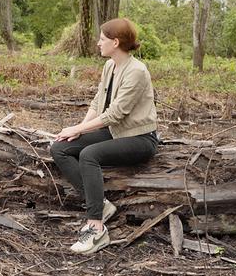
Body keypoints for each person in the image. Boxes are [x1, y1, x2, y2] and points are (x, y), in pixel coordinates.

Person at [50, 18, 158, 254]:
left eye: (102, 39)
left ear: (115, 42)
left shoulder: (137, 71)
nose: (98, 43)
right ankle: (102, 205)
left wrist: (78, 130)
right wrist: (77, 129)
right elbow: (98, 102)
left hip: (140, 138)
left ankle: (96, 227)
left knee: (89, 155)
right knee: (59, 147)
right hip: (114, 132)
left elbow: (116, 113)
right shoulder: (110, 66)